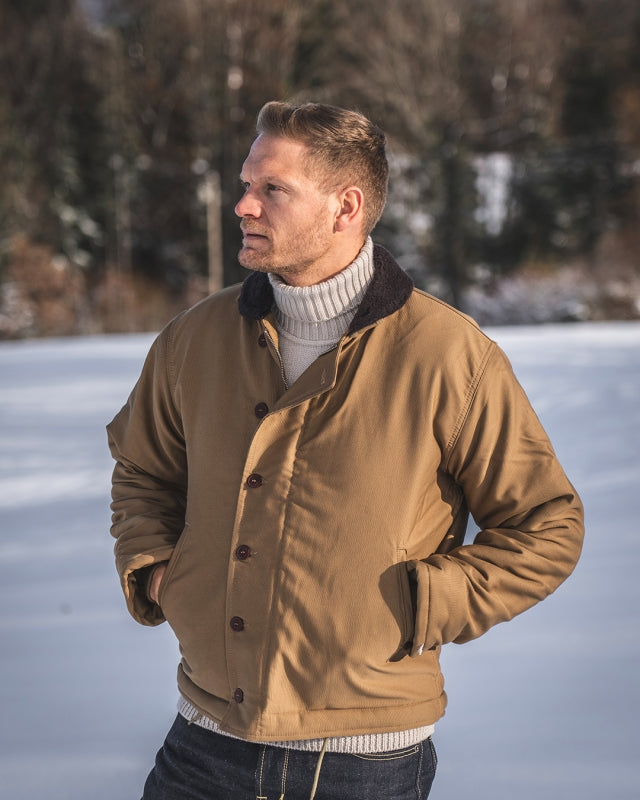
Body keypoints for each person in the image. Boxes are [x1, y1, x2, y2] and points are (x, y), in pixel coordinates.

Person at [107, 101, 584, 800]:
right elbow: (143, 469)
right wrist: (159, 572)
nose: (243, 205)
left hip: (364, 762)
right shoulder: (194, 338)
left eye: (272, 188)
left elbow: (548, 526)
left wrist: (420, 603)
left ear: (346, 207)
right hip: (205, 738)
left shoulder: (448, 355)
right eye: (246, 184)